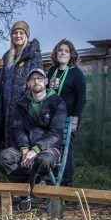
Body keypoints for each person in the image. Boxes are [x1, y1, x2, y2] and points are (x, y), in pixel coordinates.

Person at [0, 68, 66, 188]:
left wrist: (36, 150)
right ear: (28, 83)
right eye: (33, 79)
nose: (36, 81)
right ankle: (32, 185)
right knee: (3, 158)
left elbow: (55, 132)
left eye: (40, 78)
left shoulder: (58, 102)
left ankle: (24, 192)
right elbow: (18, 129)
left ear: (46, 81)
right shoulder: (21, 104)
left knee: (43, 161)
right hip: (25, 146)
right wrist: (24, 149)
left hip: (49, 147)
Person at [0, 20, 42, 149]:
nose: (18, 35)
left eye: (21, 32)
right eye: (15, 33)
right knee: (8, 143)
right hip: (6, 104)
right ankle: (11, 168)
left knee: (22, 141)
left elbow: (37, 80)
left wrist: (25, 101)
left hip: (24, 105)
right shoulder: (7, 56)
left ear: (26, 35)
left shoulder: (33, 55)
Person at [46, 39, 86, 187]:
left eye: (66, 51)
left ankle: (66, 184)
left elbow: (81, 98)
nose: (63, 53)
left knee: (66, 150)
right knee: (51, 148)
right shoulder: (52, 71)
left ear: (71, 55)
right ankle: (52, 181)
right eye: (60, 50)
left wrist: (75, 118)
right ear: (56, 53)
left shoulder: (76, 74)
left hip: (68, 119)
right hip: (50, 119)